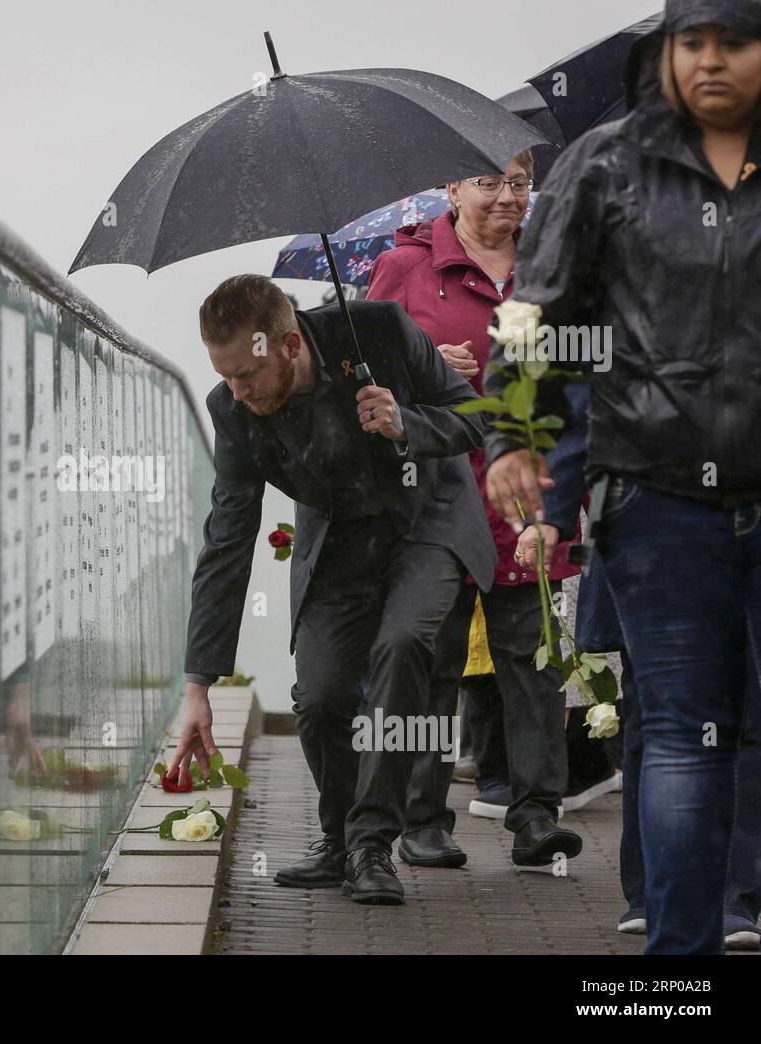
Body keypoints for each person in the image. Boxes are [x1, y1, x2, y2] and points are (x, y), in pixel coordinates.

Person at [484, 0, 761, 953]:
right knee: (680, 728)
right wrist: (515, 433)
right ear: (667, 53)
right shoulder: (605, 165)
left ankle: (740, 906)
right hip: (657, 490)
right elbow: (534, 309)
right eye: (695, 43)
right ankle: (678, 962)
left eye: (736, 43)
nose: (713, 61)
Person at [171, 274, 495, 905]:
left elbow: (474, 417)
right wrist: (197, 686)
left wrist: (405, 424)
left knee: (402, 644)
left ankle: (371, 843)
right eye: (225, 376)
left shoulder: (378, 329)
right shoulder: (232, 411)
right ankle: (341, 839)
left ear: (290, 345)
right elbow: (226, 544)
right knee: (319, 698)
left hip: (426, 523)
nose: (237, 391)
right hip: (340, 543)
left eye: (247, 374)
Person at [366, 150, 584, 869]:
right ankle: (423, 819)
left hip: (530, 494)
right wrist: (422, 364)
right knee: (434, 661)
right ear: (452, 188)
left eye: (518, 182)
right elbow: (357, 373)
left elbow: (583, 376)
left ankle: (536, 815)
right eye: (488, 182)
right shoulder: (405, 268)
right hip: (437, 501)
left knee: (535, 661)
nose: (505, 196)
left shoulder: (553, 266)